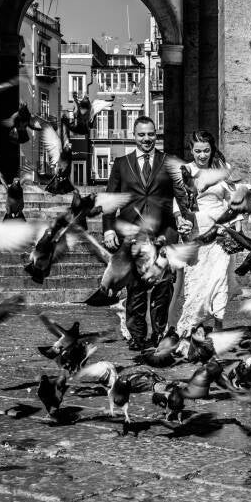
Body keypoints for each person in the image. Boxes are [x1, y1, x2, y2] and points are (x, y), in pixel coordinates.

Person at [102, 116, 193, 350]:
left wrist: (186, 219)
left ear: (156, 134)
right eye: (142, 135)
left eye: (151, 134)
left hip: (164, 232)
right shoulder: (121, 164)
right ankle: (138, 337)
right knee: (135, 288)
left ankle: (160, 334)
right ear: (134, 136)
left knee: (163, 287)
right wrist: (108, 229)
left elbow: (181, 196)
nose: (147, 139)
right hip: (132, 235)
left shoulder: (168, 162)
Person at [172, 130, 235, 337]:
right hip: (194, 229)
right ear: (191, 150)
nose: (202, 155)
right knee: (196, 279)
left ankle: (218, 321)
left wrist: (235, 228)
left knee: (218, 278)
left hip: (219, 230)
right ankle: (193, 322)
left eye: (206, 150)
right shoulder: (185, 170)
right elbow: (178, 200)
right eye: (197, 151)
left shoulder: (223, 169)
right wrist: (179, 219)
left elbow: (232, 199)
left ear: (212, 149)